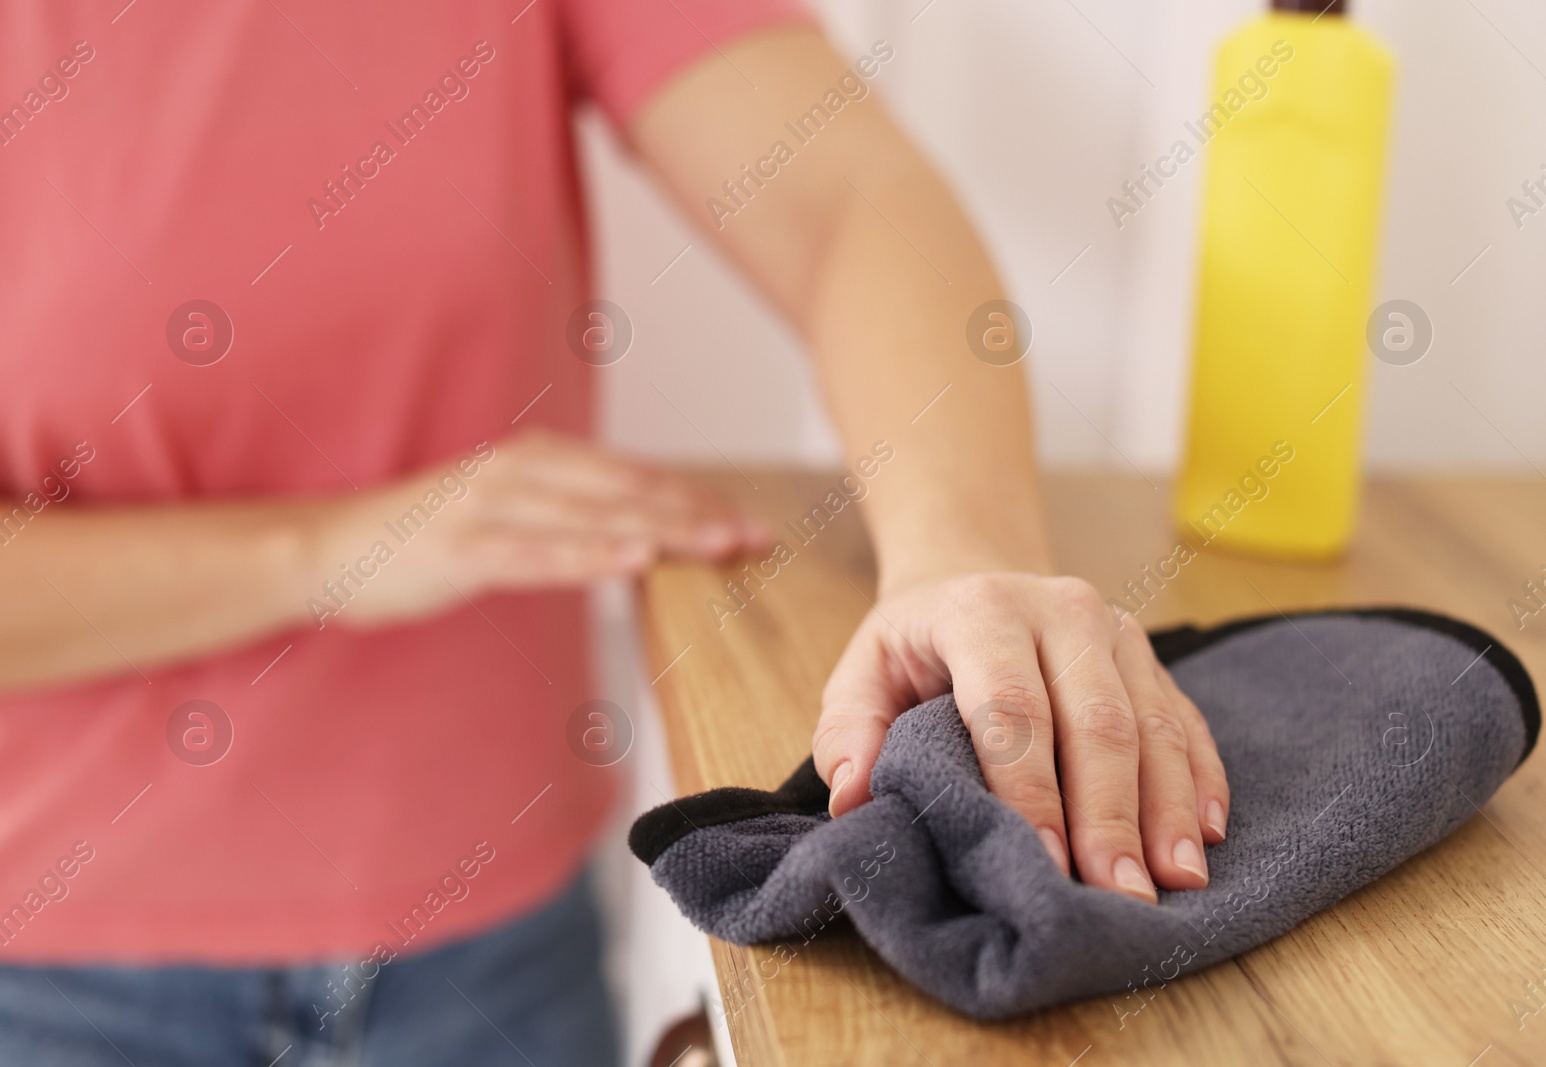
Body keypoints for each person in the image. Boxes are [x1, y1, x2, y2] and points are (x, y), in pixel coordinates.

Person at [0, 1, 1229, 1063]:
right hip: (49, 975)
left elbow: (851, 202)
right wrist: (335, 550)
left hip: (492, 953)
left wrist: (960, 559)